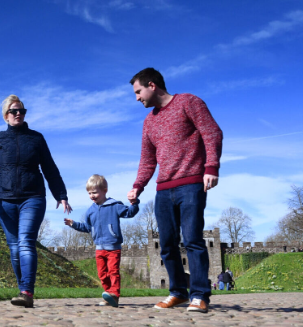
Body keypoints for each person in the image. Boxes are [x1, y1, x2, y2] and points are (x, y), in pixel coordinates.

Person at [127, 68, 223, 313]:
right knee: (167, 245)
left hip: (192, 183)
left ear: (152, 85)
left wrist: (211, 166)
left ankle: (199, 295)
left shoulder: (188, 102)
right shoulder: (149, 122)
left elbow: (212, 133)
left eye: (138, 91)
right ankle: (178, 293)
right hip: (163, 190)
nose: (137, 97)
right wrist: (138, 186)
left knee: (192, 240)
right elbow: (147, 160)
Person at [0, 94, 72, 308]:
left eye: (21, 111)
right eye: (13, 111)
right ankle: (22, 289)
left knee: (25, 243)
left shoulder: (36, 138)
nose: (18, 114)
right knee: (14, 248)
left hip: (32, 198)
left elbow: (50, 168)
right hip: (5, 201)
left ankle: (27, 292)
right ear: (6, 116)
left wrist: (61, 195)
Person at [64, 175, 139, 308]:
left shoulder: (115, 205)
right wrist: (74, 224)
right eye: (89, 193)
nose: (92, 195)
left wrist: (134, 203)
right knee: (102, 273)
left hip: (113, 247)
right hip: (99, 247)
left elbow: (129, 213)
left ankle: (114, 295)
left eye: (95, 192)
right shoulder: (90, 211)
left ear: (105, 190)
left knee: (113, 271)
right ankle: (108, 294)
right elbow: (87, 228)